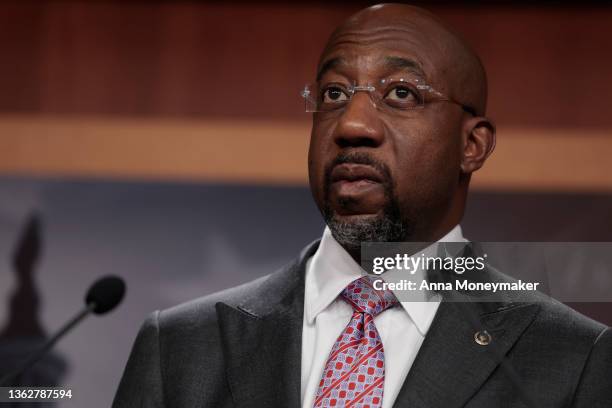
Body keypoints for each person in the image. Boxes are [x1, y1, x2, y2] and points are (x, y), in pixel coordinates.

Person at [113, 4, 612, 407]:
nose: (353, 125)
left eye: (400, 93)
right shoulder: (179, 347)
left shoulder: (576, 360)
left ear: (472, 146)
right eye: (334, 93)